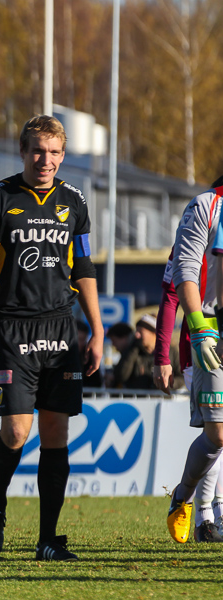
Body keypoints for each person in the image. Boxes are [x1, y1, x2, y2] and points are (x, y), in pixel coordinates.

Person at [0, 115, 103, 562]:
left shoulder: (75, 201)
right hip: (11, 327)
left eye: (54, 152)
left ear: (63, 155)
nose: (45, 160)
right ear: (23, 152)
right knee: (15, 432)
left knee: (55, 435)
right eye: (37, 151)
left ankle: (48, 539)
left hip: (61, 329)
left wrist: (97, 330)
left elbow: (83, 268)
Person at [165, 177, 223, 544]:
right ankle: (182, 498)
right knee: (217, 436)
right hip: (213, 328)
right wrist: (200, 328)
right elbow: (185, 270)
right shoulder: (205, 206)